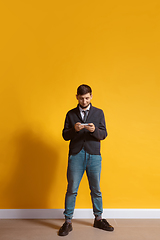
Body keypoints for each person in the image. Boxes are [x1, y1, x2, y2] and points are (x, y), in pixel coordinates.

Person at [58, 84, 114, 236]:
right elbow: (65, 135)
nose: (84, 101)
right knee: (72, 189)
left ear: (91, 96)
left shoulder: (99, 113)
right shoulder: (70, 114)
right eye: (81, 98)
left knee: (96, 189)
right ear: (77, 97)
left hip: (94, 155)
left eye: (87, 98)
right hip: (76, 155)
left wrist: (94, 130)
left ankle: (99, 219)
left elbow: (104, 134)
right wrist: (74, 130)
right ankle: (68, 221)